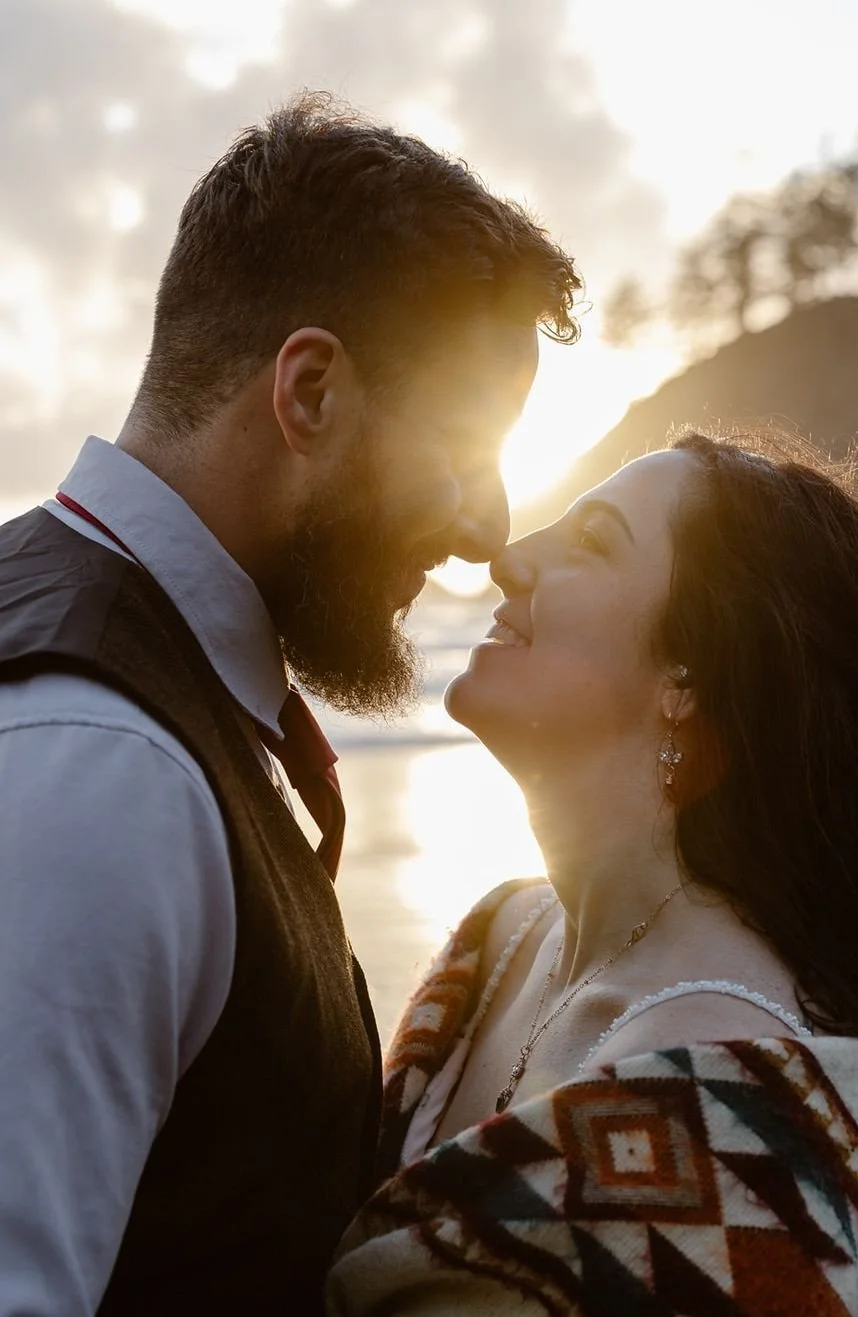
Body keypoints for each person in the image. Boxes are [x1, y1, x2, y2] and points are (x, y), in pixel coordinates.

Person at [0, 92, 579, 1316]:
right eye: (465, 447)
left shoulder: (141, 699)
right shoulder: (100, 767)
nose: (488, 528)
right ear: (308, 393)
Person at [328, 430, 858, 1316]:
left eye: (591, 542)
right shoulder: (504, 937)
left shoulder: (727, 1097)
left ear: (692, 669)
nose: (509, 560)